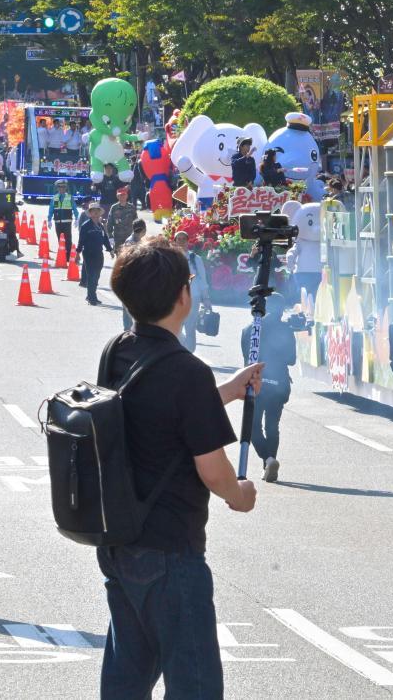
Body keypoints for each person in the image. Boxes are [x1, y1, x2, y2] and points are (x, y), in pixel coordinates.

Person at [100, 239, 261, 698]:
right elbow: (213, 471)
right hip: (170, 550)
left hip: (121, 540)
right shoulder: (186, 370)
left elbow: (154, 414)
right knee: (195, 685)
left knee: (127, 678)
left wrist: (226, 391)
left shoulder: (117, 351)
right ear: (182, 297)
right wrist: (240, 495)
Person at [240, 291, 297, 484]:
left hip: (257, 383)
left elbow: (247, 360)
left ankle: (268, 459)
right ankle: (270, 461)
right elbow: (292, 359)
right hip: (279, 383)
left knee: (253, 427)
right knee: (272, 425)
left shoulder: (250, 329)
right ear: (280, 310)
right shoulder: (286, 330)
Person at [173, 231, 208, 352]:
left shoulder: (195, 259)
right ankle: (178, 352)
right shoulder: (171, 258)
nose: (181, 241)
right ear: (175, 241)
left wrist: (206, 299)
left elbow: (203, 279)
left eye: (184, 239)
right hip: (175, 299)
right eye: (179, 239)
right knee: (175, 328)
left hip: (193, 298)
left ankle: (189, 355)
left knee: (190, 328)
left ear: (188, 242)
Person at [77, 203, 111, 305]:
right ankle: (91, 297)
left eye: (97, 211)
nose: (95, 213)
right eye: (93, 211)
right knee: (91, 275)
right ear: (90, 213)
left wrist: (110, 249)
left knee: (96, 276)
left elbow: (105, 238)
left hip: (98, 253)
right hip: (88, 253)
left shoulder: (100, 226)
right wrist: (77, 253)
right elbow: (81, 240)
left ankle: (91, 295)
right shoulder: (85, 226)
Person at [105, 187, 139, 253]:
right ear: (117, 196)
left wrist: (137, 234)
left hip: (130, 237)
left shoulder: (131, 207)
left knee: (130, 256)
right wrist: (110, 236)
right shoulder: (114, 207)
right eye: (120, 195)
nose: (122, 197)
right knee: (119, 257)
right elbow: (109, 222)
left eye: (124, 195)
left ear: (127, 196)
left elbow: (136, 222)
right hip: (118, 238)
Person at [50, 179, 76, 261]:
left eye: (64, 187)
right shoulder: (55, 198)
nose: (62, 189)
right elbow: (51, 209)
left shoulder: (69, 197)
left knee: (68, 239)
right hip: (58, 222)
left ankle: (69, 256)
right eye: (60, 187)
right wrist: (49, 219)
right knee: (60, 239)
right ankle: (63, 254)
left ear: (66, 188)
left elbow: (74, 208)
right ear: (57, 188)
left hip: (67, 222)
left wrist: (77, 218)